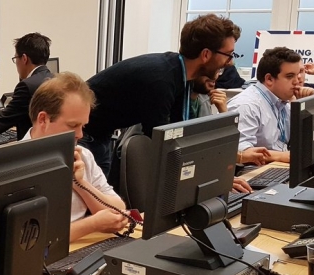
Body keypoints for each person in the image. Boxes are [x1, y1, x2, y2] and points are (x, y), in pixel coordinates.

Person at [81, 14, 242, 176]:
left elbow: (178, 134)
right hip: (83, 134)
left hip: (100, 134)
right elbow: (163, 145)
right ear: (206, 54)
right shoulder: (161, 81)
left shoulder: (179, 74)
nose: (230, 62)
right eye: (228, 55)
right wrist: (212, 174)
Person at [25, 72, 129, 241]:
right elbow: (28, 239)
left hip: (79, 250)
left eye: (83, 126)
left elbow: (119, 211)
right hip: (45, 261)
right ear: (43, 119)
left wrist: (81, 184)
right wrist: (92, 225)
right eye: (73, 125)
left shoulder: (81, 155)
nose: (80, 134)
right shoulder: (15, 166)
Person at [227, 46, 301, 164]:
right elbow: (241, 151)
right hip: (249, 170)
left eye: (298, 75)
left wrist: (304, 106)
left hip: (274, 165)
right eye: (290, 76)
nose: (297, 81)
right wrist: (281, 156)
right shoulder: (246, 105)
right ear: (269, 79)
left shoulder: (283, 102)